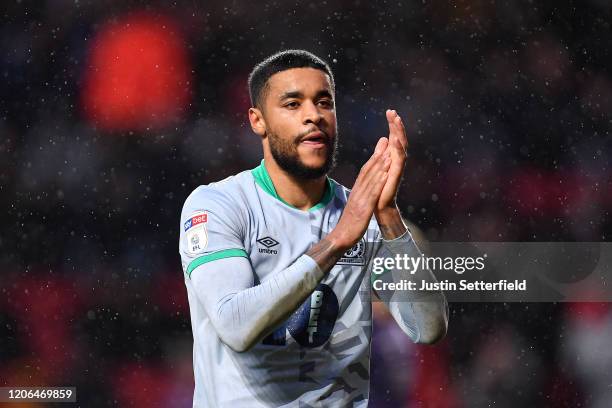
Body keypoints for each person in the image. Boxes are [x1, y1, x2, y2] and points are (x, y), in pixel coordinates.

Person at [179, 49, 448, 407]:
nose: (314, 116)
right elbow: (236, 326)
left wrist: (388, 218)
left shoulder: (365, 217)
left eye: (324, 103)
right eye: (292, 104)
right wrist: (336, 241)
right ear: (258, 121)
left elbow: (427, 328)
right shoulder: (219, 205)